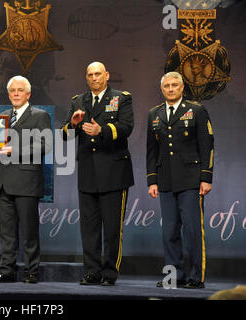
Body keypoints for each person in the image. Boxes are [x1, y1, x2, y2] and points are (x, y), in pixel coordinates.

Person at [61, 62, 134, 286]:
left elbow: (126, 127)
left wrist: (102, 130)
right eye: (90, 75)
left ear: (107, 75)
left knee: (112, 229)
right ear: (86, 77)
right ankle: (92, 272)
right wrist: (72, 125)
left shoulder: (121, 98)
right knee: (89, 229)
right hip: (88, 172)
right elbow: (64, 135)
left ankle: (109, 274)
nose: (94, 78)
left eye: (98, 74)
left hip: (114, 172)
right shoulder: (78, 101)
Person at [147, 71, 214, 289]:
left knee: (193, 230)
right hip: (165, 180)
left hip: (191, 180)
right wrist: (152, 180)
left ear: (182, 87)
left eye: (175, 85)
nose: (171, 89)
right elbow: (151, 150)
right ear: (162, 89)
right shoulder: (154, 114)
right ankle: (173, 277)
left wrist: (206, 177)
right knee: (169, 232)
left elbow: (207, 146)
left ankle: (195, 276)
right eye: (166, 86)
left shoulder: (196, 110)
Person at [0, 75, 52, 284]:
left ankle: (31, 271)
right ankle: (7, 271)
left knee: (29, 232)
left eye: (19, 90)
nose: (15, 93)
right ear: (8, 94)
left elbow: (46, 145)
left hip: (27, 182)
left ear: (28, 94)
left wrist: (13, 149)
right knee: (6, 233)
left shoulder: (40, 115)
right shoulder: (1, 117)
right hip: (4, 181)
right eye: (12, 90)